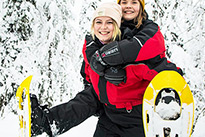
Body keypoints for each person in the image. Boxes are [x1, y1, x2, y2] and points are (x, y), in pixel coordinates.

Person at [30, 1, 182, 137]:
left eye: (134, 2)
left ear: (141, 7)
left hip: (138, 117)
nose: (128, 6)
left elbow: (156, 65)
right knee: (87, 98)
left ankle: (169, 107)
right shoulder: (96, 42)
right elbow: (88, 75)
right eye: (124, 2)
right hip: (109, 116)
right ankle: (45, 122)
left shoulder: (141, 34)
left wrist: (122, 72)